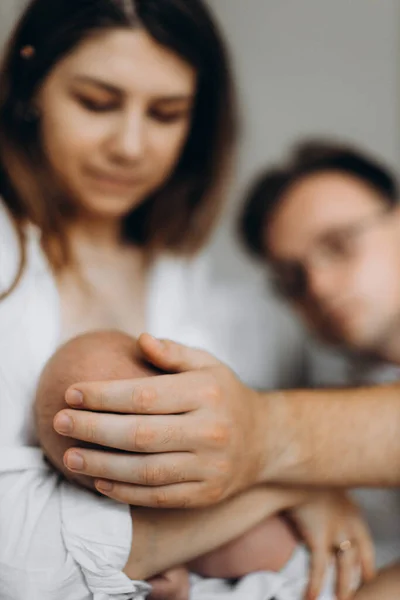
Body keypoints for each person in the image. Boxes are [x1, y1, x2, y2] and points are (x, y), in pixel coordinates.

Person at [51, 142, 400, 598]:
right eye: (292, 279)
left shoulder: (300, 422)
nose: (318, 286)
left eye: (339, 245)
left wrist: (270, 448)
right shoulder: (322, 385)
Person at [37, 329, 376, 600]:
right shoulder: (158, 543)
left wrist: (304, 485)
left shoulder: (230, 431)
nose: (143, 430)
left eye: (148, 395)